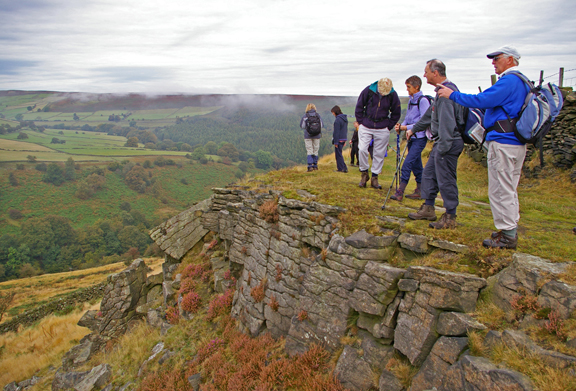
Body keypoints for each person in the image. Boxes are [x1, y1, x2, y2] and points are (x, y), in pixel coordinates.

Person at [437, 45, 530, 249]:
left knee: (500, 188)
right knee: (509, 187)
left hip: (503, 142)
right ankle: (508, 230)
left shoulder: (510, 80)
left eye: (497, 58)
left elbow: (483, 100)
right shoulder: (523, 82)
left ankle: (507, 235)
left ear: (511, 60)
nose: (493, 62)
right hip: (515, 141)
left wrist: (452, 95)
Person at [407, 59, 465, 229]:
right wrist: (413, 129)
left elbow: (447, 123)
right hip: (442, 142)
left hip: (448, 142)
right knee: (429, 174)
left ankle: (450, 216)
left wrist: (444, 148)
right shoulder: (440, 92)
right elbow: (428, 116)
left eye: (426, 71)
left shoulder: (446, 94)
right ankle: (428, 208)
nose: (424, 75)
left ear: (436, 73)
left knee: (446, 178)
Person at [354, 78, 402, 189]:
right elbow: (359, 106)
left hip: (382, 126)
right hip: (366, 124)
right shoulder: (368, 90)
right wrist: (361, 122)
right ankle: (364, 173)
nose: (384, 94)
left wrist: (388, 126)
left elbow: (396, 112)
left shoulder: (392, 94)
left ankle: (375, 177)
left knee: (379, 153)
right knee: (362, 149)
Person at [391, 75, 431, 201]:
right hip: (411, 137)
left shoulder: (423, 101)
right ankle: (420, 190)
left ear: (416, 87)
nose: (407, 89)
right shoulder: (411, 100)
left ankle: (400, 192)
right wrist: (401, 125)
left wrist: (405, 127)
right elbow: (408, 118)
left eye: (409, 87)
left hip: (419, 137)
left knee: (407, 163)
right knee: (416, 164)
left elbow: (424, 122)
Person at [300, 103, 324, 172]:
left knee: (309, 150)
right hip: (317, 135)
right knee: (316, 150)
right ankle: (315, 165)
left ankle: (310, 166)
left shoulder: (305, 116)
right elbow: (321, 125)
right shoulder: (318, 115)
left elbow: (302, 126)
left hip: (308, 135)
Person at [331, 106, 348, 173]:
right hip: (343, 138)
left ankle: (341, 169)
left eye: (333, 112)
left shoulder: (338, 120)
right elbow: (345, 130)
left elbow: (336, 132)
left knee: (338, 155)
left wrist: (335, 142)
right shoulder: (344, 119)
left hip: (338, 139)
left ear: (335, 112)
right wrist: (344, 140)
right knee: (340, 153)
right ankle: (344, 167)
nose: (333, 114)